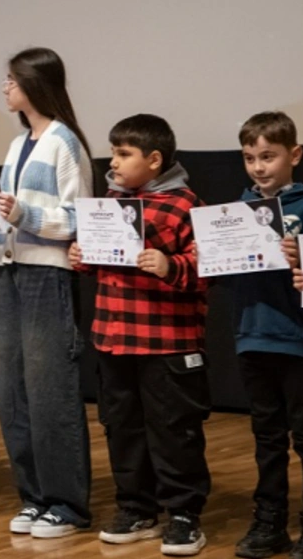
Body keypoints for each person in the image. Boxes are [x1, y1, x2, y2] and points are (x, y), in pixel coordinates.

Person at [69, 114, 210, 555]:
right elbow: (101, 259)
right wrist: (82, 255)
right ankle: (136, 506)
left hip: (167, 341)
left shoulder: (185, 205)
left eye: (123, 153)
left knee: (173, 429)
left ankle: (184, 514)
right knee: (122, 425)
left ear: (154, 159)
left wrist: (173, 266)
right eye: (113, 151)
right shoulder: (109, 204)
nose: (113, 161)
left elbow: (210, 268)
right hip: (114, 336)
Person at [0, 47, 94, 538]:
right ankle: (33, 497)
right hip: (10, 272)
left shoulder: (64, 143)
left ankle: (67, 503)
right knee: (12, 392)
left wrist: (23, 216)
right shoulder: (17, 145)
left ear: (34, 82)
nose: (5, 87)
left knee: (50, 391)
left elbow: (80, 220)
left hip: (47, 275)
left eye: (12, 79)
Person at [228, 112, 303, 559]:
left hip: (296, 339)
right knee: (267, 437)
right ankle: (269, 521)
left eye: (268, 156)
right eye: (249, 157)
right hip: (252, 336)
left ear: (293, 155)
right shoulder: (236, 211)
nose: (259, 167)